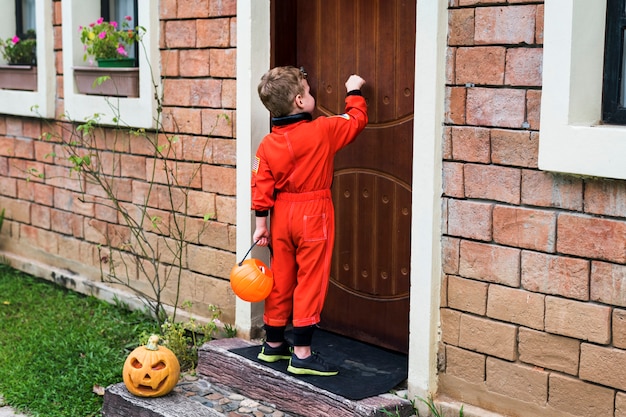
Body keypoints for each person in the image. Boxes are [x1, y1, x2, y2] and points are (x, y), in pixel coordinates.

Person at [250, 66, 368, 376]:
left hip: (281, 214)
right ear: (300, 101)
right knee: (310, 279)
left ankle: (273, 344)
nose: (312, 94)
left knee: (282, 277)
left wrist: (261, 223)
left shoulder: (266, 144)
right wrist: (353, 91)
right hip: (313, 212)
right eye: (309, 90)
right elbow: (356, 122)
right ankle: (302, 353)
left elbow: (260, 183)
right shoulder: (323, 130)